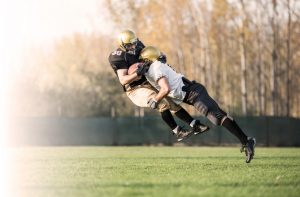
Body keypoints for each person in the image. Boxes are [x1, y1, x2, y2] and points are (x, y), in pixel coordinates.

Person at [139, 46, 256, 163]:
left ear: (148, 59)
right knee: (219, 116)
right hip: (190, 94)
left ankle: (247, 141)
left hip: (194, 94)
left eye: (142, 60)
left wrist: (155, 100)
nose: (140, 63)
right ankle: (246, 140)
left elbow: (165, 89)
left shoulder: (156, 67)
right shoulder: (155, 67)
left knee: (217, 118)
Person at [108, 30, 209, 141]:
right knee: (161, 102)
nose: (133, 46)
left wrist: (158, 57)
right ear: (122, 44)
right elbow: (123, 80)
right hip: (134, 89)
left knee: (172, 103)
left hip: (148, 82)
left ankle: (195, 125)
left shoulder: (138, 45)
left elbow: (148, 56)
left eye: (134, 42)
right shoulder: (117, 57)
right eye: (129, 44)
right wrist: (137, 73)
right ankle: (177, 131)